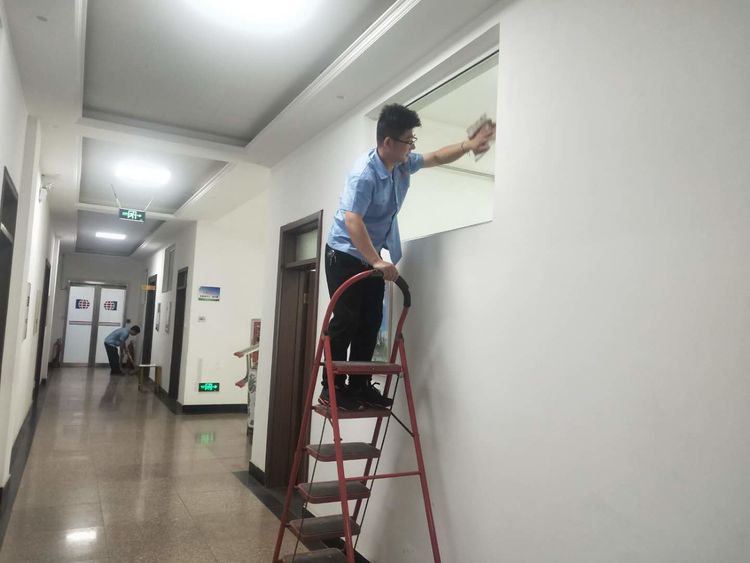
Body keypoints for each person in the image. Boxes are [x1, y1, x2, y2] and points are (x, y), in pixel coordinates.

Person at [321, 103, 495, 410]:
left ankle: (359, 386)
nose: (412, 147)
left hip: (371, 254)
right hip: (344, 252)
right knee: (347, 319)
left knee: (371, 320)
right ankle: (331, 388)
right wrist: (376, 260)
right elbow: (352, 220)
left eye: (413, 140)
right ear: (388, 142)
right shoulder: (364, 174)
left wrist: (469, 145)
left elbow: (436, 157)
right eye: (408, 141)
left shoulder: (401, 164)